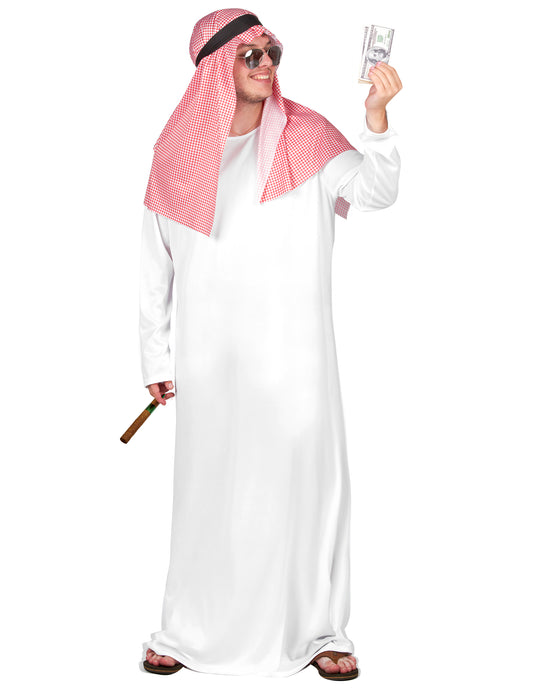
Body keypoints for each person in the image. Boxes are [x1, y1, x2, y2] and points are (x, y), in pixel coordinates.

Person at [138, 7, 402, 680]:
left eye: (272, 51)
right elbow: (154, 263)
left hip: (295, 356)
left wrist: (376, 119)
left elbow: (376, 192)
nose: (265, 64)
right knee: (207, 492)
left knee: (306, 491)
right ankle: (187, 629)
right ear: (212, 67)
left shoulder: (307, 135)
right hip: (210, 357)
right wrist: (156, 357)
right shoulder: (176, 154)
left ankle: (320, 631)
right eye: (249, 54)